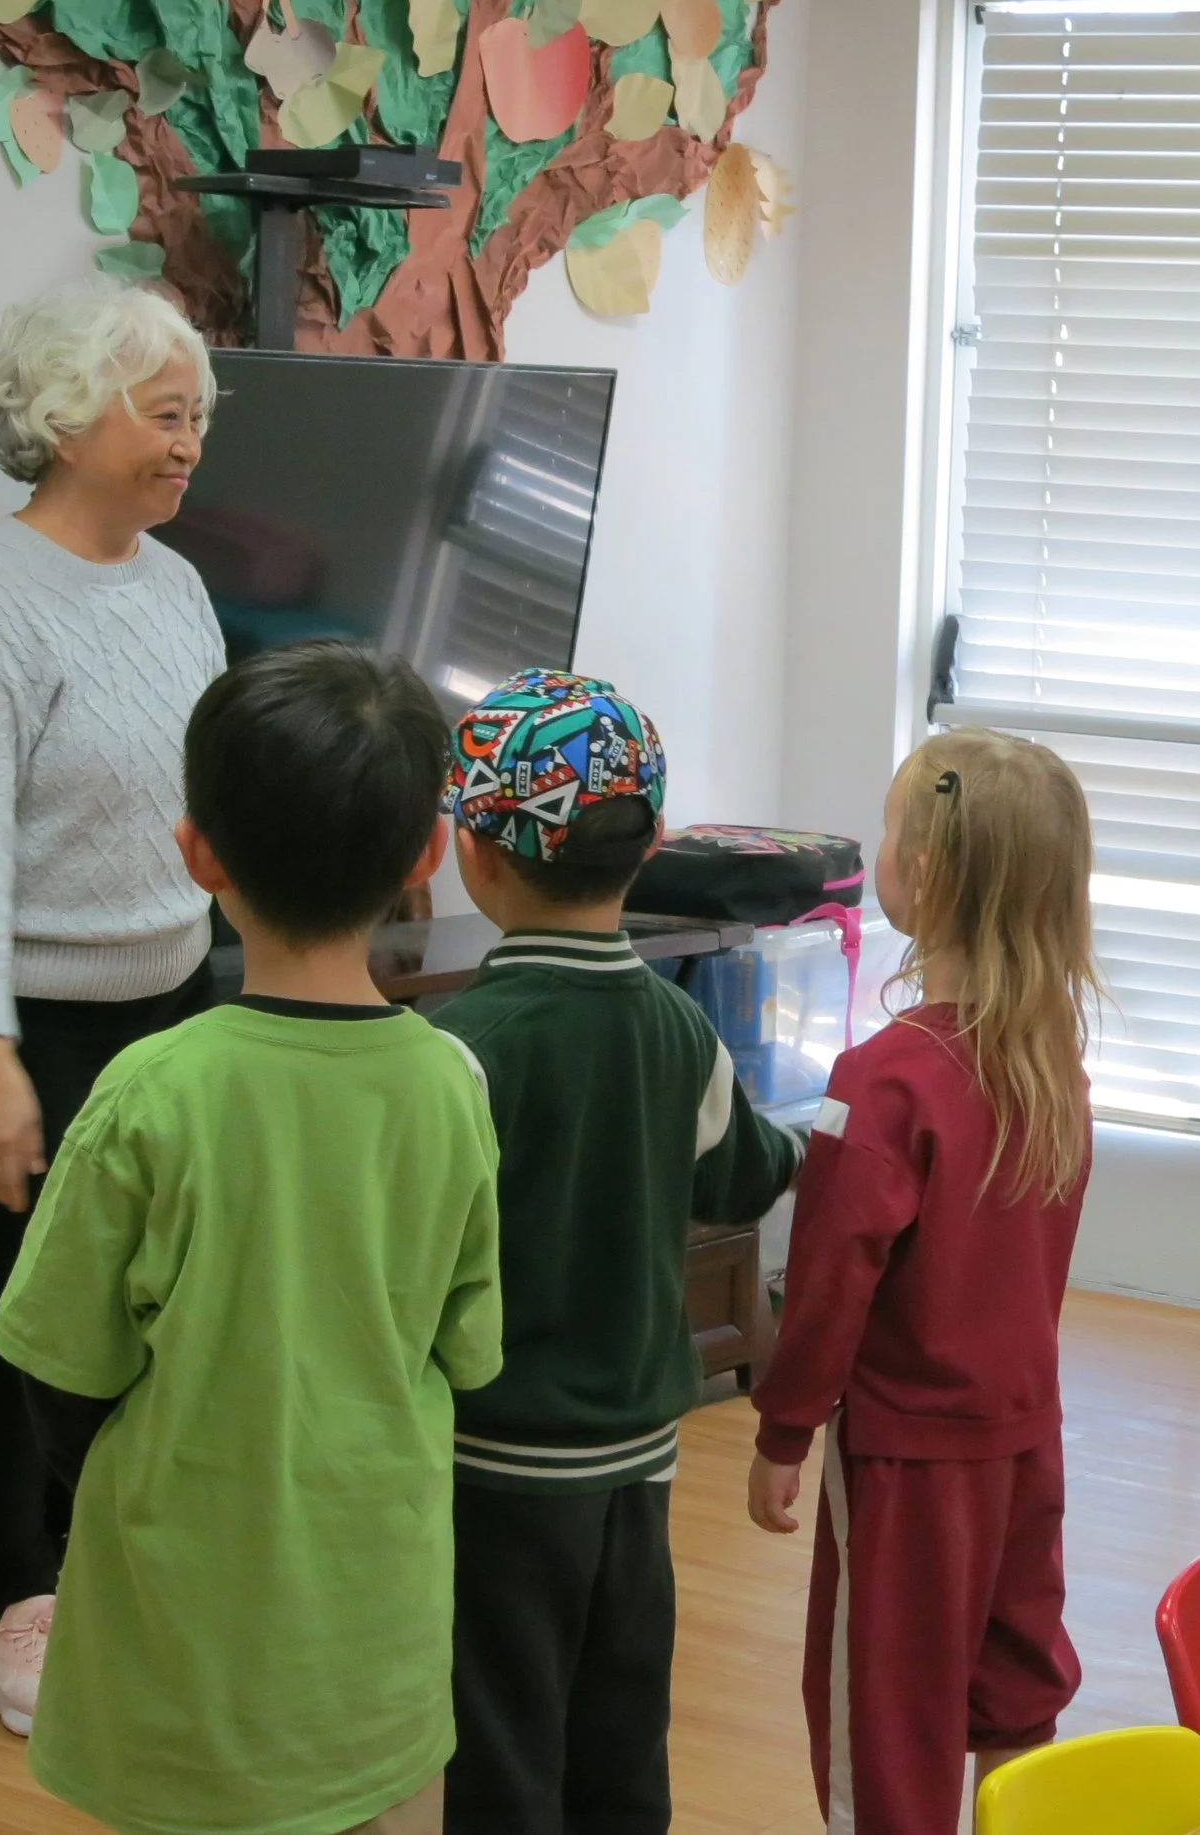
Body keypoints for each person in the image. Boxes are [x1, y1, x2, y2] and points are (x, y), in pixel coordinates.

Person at [0, 640, 504, 1835]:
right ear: (428, 856)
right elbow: (466, 1349)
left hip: (183, 1637)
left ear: (196, 851)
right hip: (376, 1630)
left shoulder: (146, 1092)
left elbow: (58, 1365)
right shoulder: (450, 1083)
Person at [0, 277, 228, 1731]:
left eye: (197, 418)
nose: (187, 445)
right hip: (27, 1018)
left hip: (175, 996)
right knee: (23, 1315)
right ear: (69, 419)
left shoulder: (176, 584)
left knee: (160, 1313)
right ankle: (11, 1605)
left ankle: (121, 1574)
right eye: (166, 416)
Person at [431, 670, 801, 1835]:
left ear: (473, 856)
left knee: (496, 1733)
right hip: (640, 1454)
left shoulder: (458, 1051)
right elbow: (742, 1178)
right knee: (620, 1727)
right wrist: (820, 1134)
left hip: (494, 1459)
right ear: (644, 854)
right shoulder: (679, 1027)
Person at [746, 728, 1097, 1835]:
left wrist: (783, 1430)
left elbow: (826, 1282)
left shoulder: (883, 1077)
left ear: (926, 873)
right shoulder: (1052, 1061)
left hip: (905, 1458)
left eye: (891, 828)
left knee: (884, 1717)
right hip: (1022, 1435)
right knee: (1012, 1685)